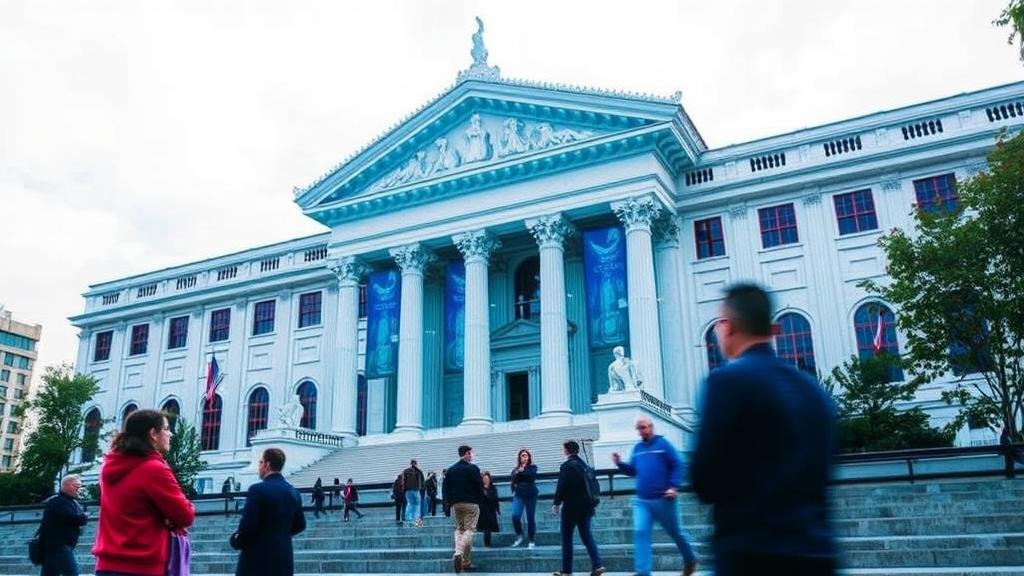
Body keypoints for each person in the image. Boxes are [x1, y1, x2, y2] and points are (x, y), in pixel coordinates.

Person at [691, 283, 838, 576]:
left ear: (727, 327)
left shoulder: (727, 381)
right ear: (772, 328)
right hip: (818, 555)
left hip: (750, 556)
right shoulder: (815, 392)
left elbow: (704, 480)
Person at [92, 409, 195, 576]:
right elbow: (185, 515)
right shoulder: (153, 468)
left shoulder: (109, 467)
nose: (171, 434)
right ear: (153, 433)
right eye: (167, 429)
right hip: (142, 566)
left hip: (106, 565)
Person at [612, 416, 697, 576]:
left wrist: (673, 486)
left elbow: (677, 464)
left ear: (651, 427)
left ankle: (691, 560)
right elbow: (634, 471)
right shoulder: (637, 448)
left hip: (664, 499)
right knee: (640, 531)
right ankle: (643, 572)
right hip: (642, 501)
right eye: (638, 428)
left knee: (675, 532)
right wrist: (620, 464)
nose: (641, 431)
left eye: (643, 427)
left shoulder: (663, 444)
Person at [231, 448, 307, 576]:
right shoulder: (293, 492)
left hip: (257, 561)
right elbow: (300, 525)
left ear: (267, 465)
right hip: (284, 559)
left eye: (260, 462)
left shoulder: (257, 490)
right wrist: (281, 534)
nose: (259, 466)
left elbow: (248, 526)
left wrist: (236, 539)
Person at [553, 440, 606, 576]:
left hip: (571, 508)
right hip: (587, 507)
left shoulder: (566, 466)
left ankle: (566, 571)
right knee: (587, 536)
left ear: (567, 451)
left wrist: (556, 502)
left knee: (567, 539)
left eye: (564, 449)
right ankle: (597, 565)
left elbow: (561, 486)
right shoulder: (585, 465)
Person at [443, 444, 483, 574]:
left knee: (460, 530)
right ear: (466, 454)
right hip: (471, 503)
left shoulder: (451, 470)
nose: (472, 455)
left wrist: (448, 506)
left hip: (456, 504)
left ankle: (465, 562)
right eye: (470, 453)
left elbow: (446, 489)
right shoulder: (473, 468)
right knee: (470, 530)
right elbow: (479, 485)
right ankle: (459, 552)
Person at [39, 474, 88, 576]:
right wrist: (84, 517)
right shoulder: (60, 502)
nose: (79, 489)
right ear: (67, 485)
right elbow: (71, 518)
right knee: (71, 573)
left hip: (53, 547)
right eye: (77, 486)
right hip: (59, 546)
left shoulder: (64, 501)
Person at [509, 448, 538, 548]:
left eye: (526, 455)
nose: (524, 457)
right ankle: (520, 535)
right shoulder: (515, 469)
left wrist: (522, 472)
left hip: (531, 495)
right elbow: (514, 478)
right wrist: (519, 473)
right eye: (523, 456)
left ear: (529, 457)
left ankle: (531, 540)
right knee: (515, 516)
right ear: (520, 458)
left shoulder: (533, 467)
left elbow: (531, 477)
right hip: (519, 495)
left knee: (530, 518)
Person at [478, 472, 500, 547]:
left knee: (489, 528)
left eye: (487, 479)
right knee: (486, 528)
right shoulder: (480, 488)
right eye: (484, 479)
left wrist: (498, 510)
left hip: (491, 510)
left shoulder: (493, 488)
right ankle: (487, 543)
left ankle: (488, 543)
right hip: (483, 510)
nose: (486, 480)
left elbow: (496, 499)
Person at [402, 458, 426, 527]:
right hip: (416, 490)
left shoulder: (406, 471)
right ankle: (417, 522)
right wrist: (423, 490)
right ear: (416, 463)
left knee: (410, 504)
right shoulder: (419, 471)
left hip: (408, 490)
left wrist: (404, 490)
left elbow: (403, 482)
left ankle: (408, 519)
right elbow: (423, 481)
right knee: (417, 505)